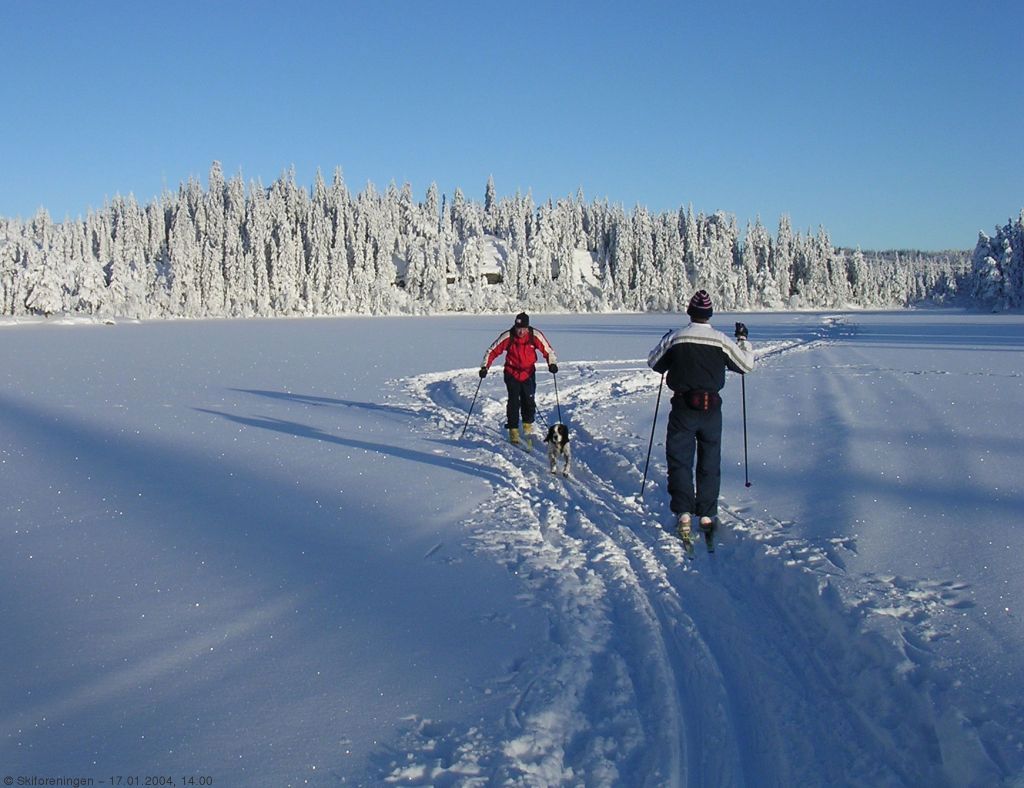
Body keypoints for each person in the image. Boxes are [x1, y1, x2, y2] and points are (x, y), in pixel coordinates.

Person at [647, 290, 754, 549]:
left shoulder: (677, 337)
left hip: (683, 406)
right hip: (711, 408)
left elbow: (654, 363)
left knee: (679, 460)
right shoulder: (721, 340)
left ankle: (684, 513)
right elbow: (745, 366)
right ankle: (706, 515)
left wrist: (665, 341)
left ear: (689, 312)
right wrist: (743, 341)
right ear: (710, 314)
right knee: (709, 461)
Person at [479, 312, 557, 446]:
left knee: (529, 400)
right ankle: (513, 430)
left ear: (527, 327)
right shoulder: (508, 336)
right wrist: (485, 367)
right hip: (512, 373)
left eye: (523, 329)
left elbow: (548, 350)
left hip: (528, 373)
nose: (520, 332)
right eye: (518, 328)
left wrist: (552, 364)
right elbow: (492, 351)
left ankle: (527, 427)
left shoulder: (535, 335)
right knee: (513, 402)